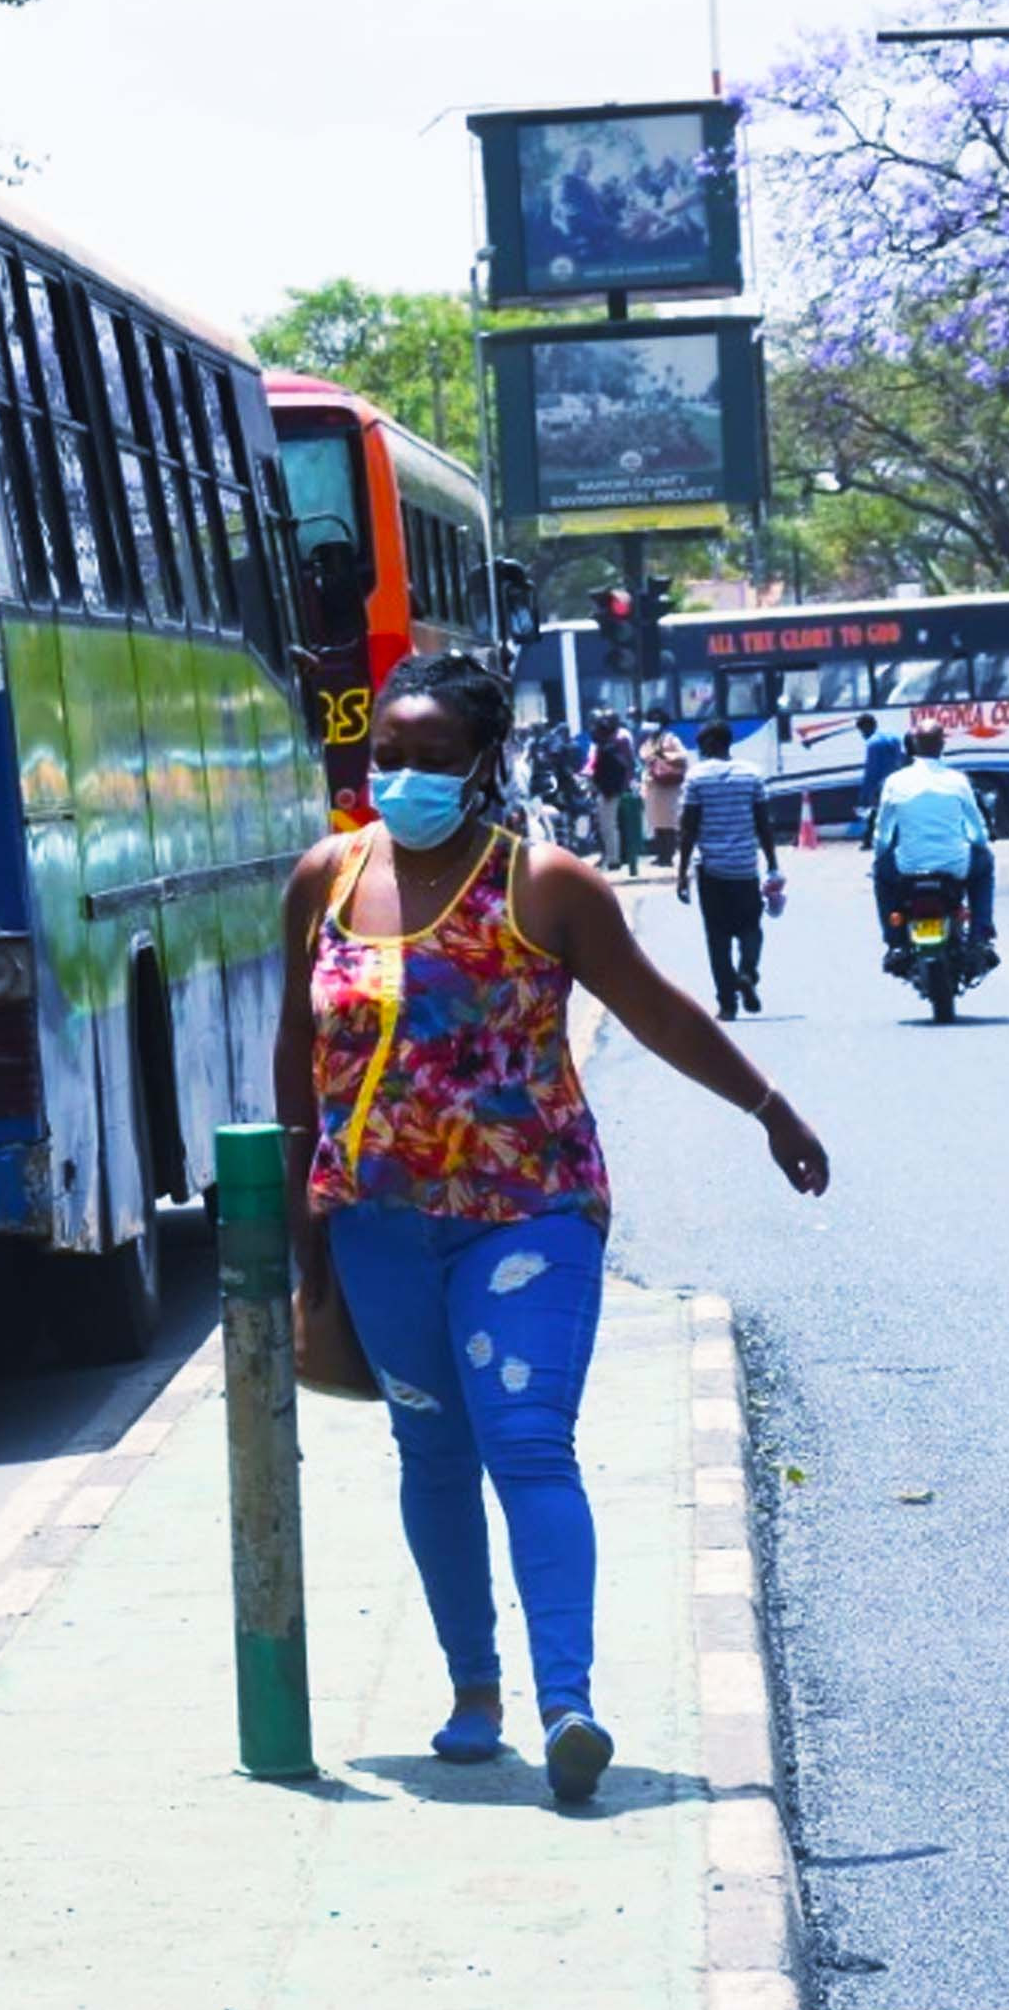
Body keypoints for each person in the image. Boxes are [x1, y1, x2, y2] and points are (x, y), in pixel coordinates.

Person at [275, 652, 829, 1805]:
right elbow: (297, 1051)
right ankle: (472, 1691)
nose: (404, 776)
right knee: (430, 1450)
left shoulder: (545, 882)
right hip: (375, 1218)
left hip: (527, 1211)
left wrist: (767, 1107)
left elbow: (656, 1009)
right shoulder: (325, 876)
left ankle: (567, 1702)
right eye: (388, 754)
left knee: (526, 1441)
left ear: (484, 762)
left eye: (432, 758)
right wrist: (300, 1215)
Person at [674, 721, 780, 1019]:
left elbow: (688, 829)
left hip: (712, 871)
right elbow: (763, 824)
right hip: (745, 868)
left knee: (717, 937)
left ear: (709, 745)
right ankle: (747, 972)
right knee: (750, 928)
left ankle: (727, 1004)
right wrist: (772, 863)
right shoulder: (751, 775)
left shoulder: (697, 778)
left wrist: (682, 874)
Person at [870, 727, 996, 960]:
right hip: (956, 866)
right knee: (985, 865)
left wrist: (880, 857)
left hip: (908, 867)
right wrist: (980, 846)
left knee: (881, 873)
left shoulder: (895, 782)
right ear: (942, 745)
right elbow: (976, 830)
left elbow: (883, 833)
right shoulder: (958, 781)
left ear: (914, 746)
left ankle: (895, 941)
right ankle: (980, 936)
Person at [590, 718, 639, 871]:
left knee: (608, 826)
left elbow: (604, 773)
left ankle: (613, 859)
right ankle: (614, 857)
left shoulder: (607, 750)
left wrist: (604, 788)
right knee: (611, 826)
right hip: (613, 790)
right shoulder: (611, 748)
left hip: (609, 792)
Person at [642, 718, 691, 868]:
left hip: (668, 788)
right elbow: (644, 755)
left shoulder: (671, 739)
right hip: (654, 786)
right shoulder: (650, 740)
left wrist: (664, 756)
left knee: (668, 823)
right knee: (657, 823)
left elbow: (683, 755)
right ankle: (660, 855)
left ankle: (668, 856)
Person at [853, 710, 906, 822]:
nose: (862, 735)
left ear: (865, 728)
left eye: (861, 731)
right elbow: (901, 761)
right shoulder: (894, 738)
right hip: (900, 786)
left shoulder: (872, 743)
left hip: (882, 790)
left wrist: (863, 799)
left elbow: (871, 773)